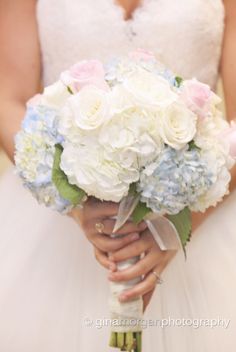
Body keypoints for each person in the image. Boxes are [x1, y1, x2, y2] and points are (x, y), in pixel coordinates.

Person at [0, 0, 236, 351]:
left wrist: (175, 228)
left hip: (200, 217)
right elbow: (9, 98)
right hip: (55, 226)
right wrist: (76, 205)